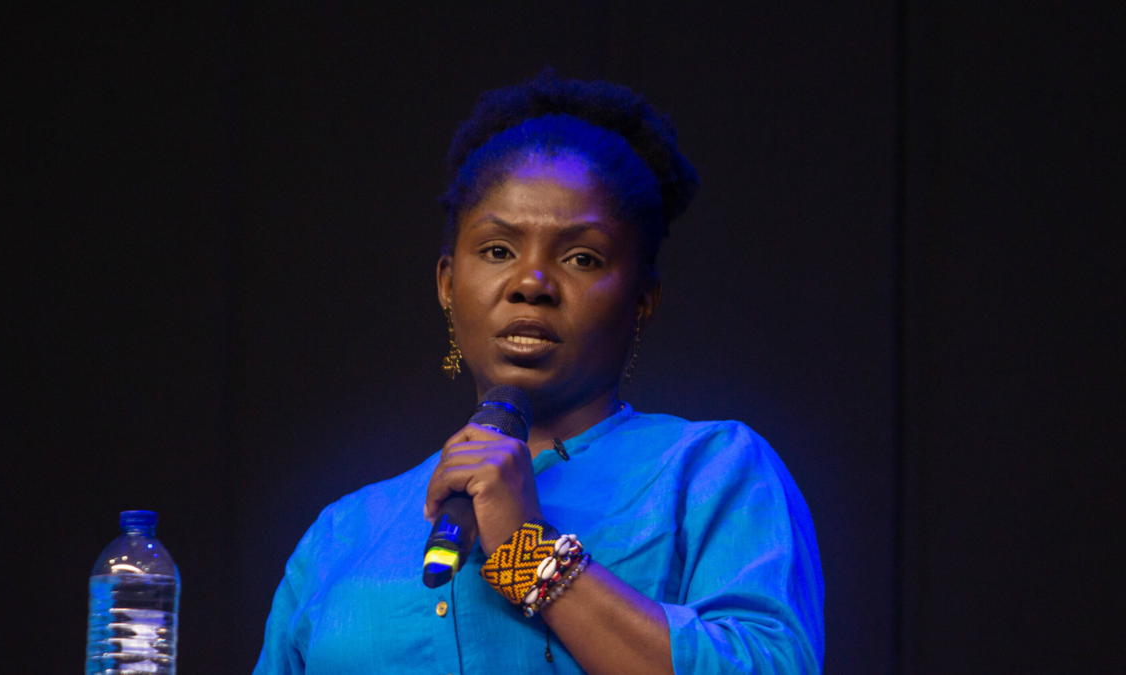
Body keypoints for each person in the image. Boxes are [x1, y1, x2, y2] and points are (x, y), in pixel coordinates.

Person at [253, 70, 824, 675]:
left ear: (641, 302)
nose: (531, 283)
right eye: (498, 251)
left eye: (582, 258)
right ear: (448, 284)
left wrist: (529, 554)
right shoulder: (343, 535)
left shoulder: (710, 473)